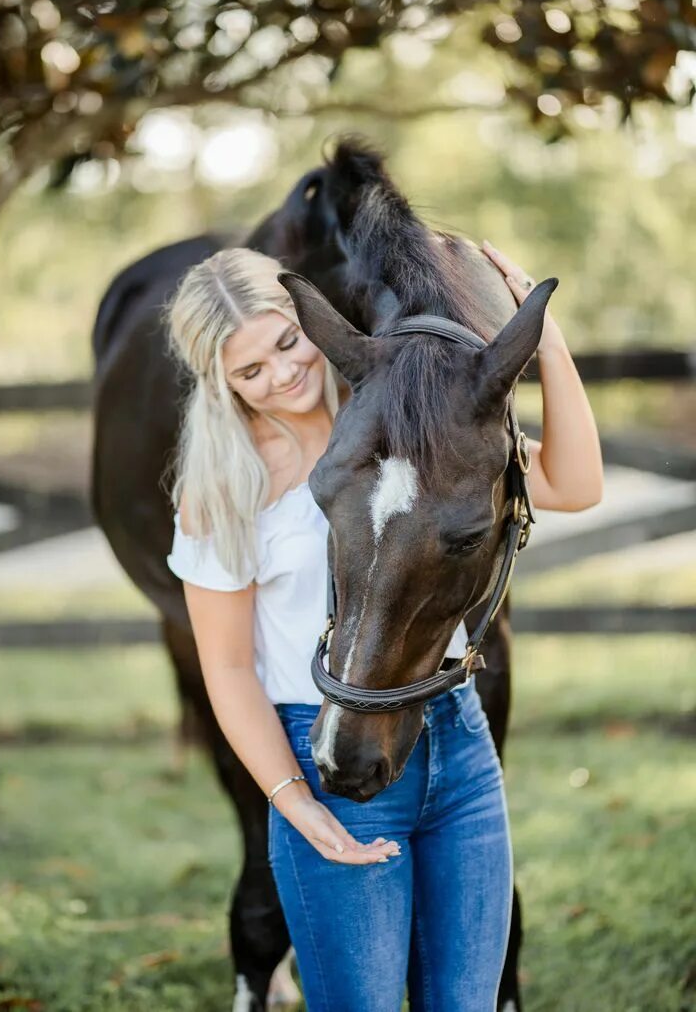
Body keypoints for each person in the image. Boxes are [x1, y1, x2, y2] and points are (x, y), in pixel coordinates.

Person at [165, 242, 603, 1011]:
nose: (282, 375)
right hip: (330, 752)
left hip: (458, 748)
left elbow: (575, 485)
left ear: (314, 323)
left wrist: (547, 341)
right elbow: (228, 669)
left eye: (285, 342)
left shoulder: (412, 419)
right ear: (220, 383)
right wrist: (294, 802)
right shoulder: (222, 489)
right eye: (249, 371)